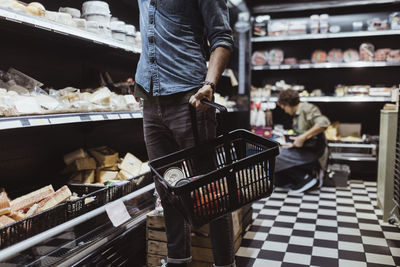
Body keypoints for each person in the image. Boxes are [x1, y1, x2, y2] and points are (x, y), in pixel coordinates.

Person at [134, 1, 235, 267]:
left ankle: (225, 263)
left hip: (191, 99)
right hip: (151, 101)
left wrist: (210, 83)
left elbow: (222, 37)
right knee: (168, 187)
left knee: (210, 191)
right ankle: (178, 260)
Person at [275, 89, 331, 193]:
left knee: (276, 157)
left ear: (287, 104)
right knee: (277, 152)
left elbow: (324, 123)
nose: (284, 110)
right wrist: (292, 143)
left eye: (283, 107)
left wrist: (302, 137)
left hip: (315, 152)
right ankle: (297, 179)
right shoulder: (296, 114)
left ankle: (306, 178)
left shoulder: (307, 109)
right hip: (305, 149)